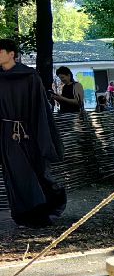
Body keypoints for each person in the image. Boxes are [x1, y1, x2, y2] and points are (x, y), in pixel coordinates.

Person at [0, 38, 67, 227]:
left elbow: (40, 108)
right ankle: (22, 214)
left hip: (28, 133)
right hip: (6, 136)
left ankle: (44, 211)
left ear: (11, 53)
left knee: (34, 171)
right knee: (14, 175)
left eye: (0, 51)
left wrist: (38, 134)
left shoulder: (29, 76)